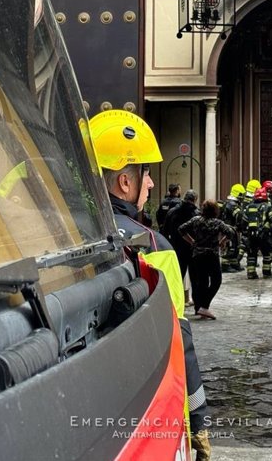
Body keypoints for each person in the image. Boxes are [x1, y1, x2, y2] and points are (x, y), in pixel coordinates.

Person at [88, 110, 210, 460]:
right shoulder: (154, 247)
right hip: (136, 414)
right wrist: (198, 426)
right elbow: (179, 343)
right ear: (125, 182)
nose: (151, 183)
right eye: (145, 173)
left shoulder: (57, 238)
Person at [179, 200, 236, 320]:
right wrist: (221, 242)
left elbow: (181, 229)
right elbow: (231, 233)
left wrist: (192, 241)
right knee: (216, 281)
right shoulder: (217, 223)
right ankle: (204, 306)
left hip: (197, 255)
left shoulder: (196, 220)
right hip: (212, 254)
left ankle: (199, 308)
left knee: (201, 282)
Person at [241, 187, 272, 279]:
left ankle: (251, 273)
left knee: (251, 254)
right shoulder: (268, 206)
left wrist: (244, 233)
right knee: (267, 254)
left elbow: (243, 222)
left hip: (251, 235)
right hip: (264, 235)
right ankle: (266, 272)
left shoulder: (249, 206)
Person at [163, 189, 200, 279]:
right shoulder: (197, 214)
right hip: (192, 249)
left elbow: (165, 231)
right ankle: (195, 293)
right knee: (195, 279)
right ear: (195, 199)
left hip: (176, 248)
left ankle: (177, 293)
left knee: (177, 277)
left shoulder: (172, 212)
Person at [220, 184, 245, 273]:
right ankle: (225, 266)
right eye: (242, 195)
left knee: (234, 246)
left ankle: (234, 264)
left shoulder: (229, 203)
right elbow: (239, 216)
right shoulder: (232, 204)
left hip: (230, 228)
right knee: (229, 247)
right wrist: (241, 226)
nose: (243, 197)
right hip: (230, 228)